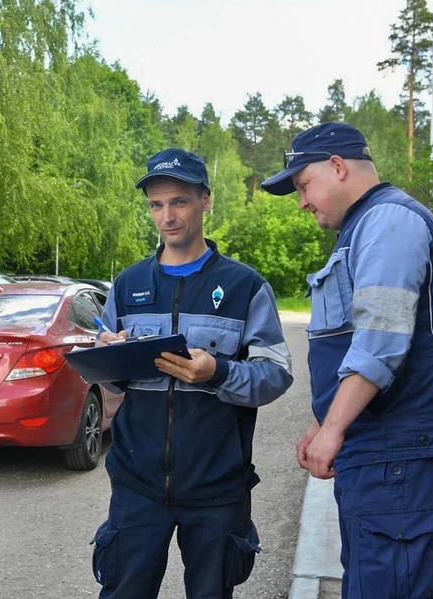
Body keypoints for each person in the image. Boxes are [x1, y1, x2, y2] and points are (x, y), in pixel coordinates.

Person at [262, 122, 433, 599]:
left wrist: (334, 427)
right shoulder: (366, 227)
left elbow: (381, 340)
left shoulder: (389, 222)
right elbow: (356, 339)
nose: (302, 201)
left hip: (401, 453)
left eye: (303, 185)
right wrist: (324, 423)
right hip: (388, 454)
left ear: (337, 167)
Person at [91, 148, 294, 598]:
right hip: (137, 486)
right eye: (156, 205)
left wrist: (217, 372)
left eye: (179, 201)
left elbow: (276, 374)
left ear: (206, 200)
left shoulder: (245, 286)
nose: (168, 216)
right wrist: (107, 360)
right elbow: (108, 382)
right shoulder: (127, 286)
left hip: (217, 489)